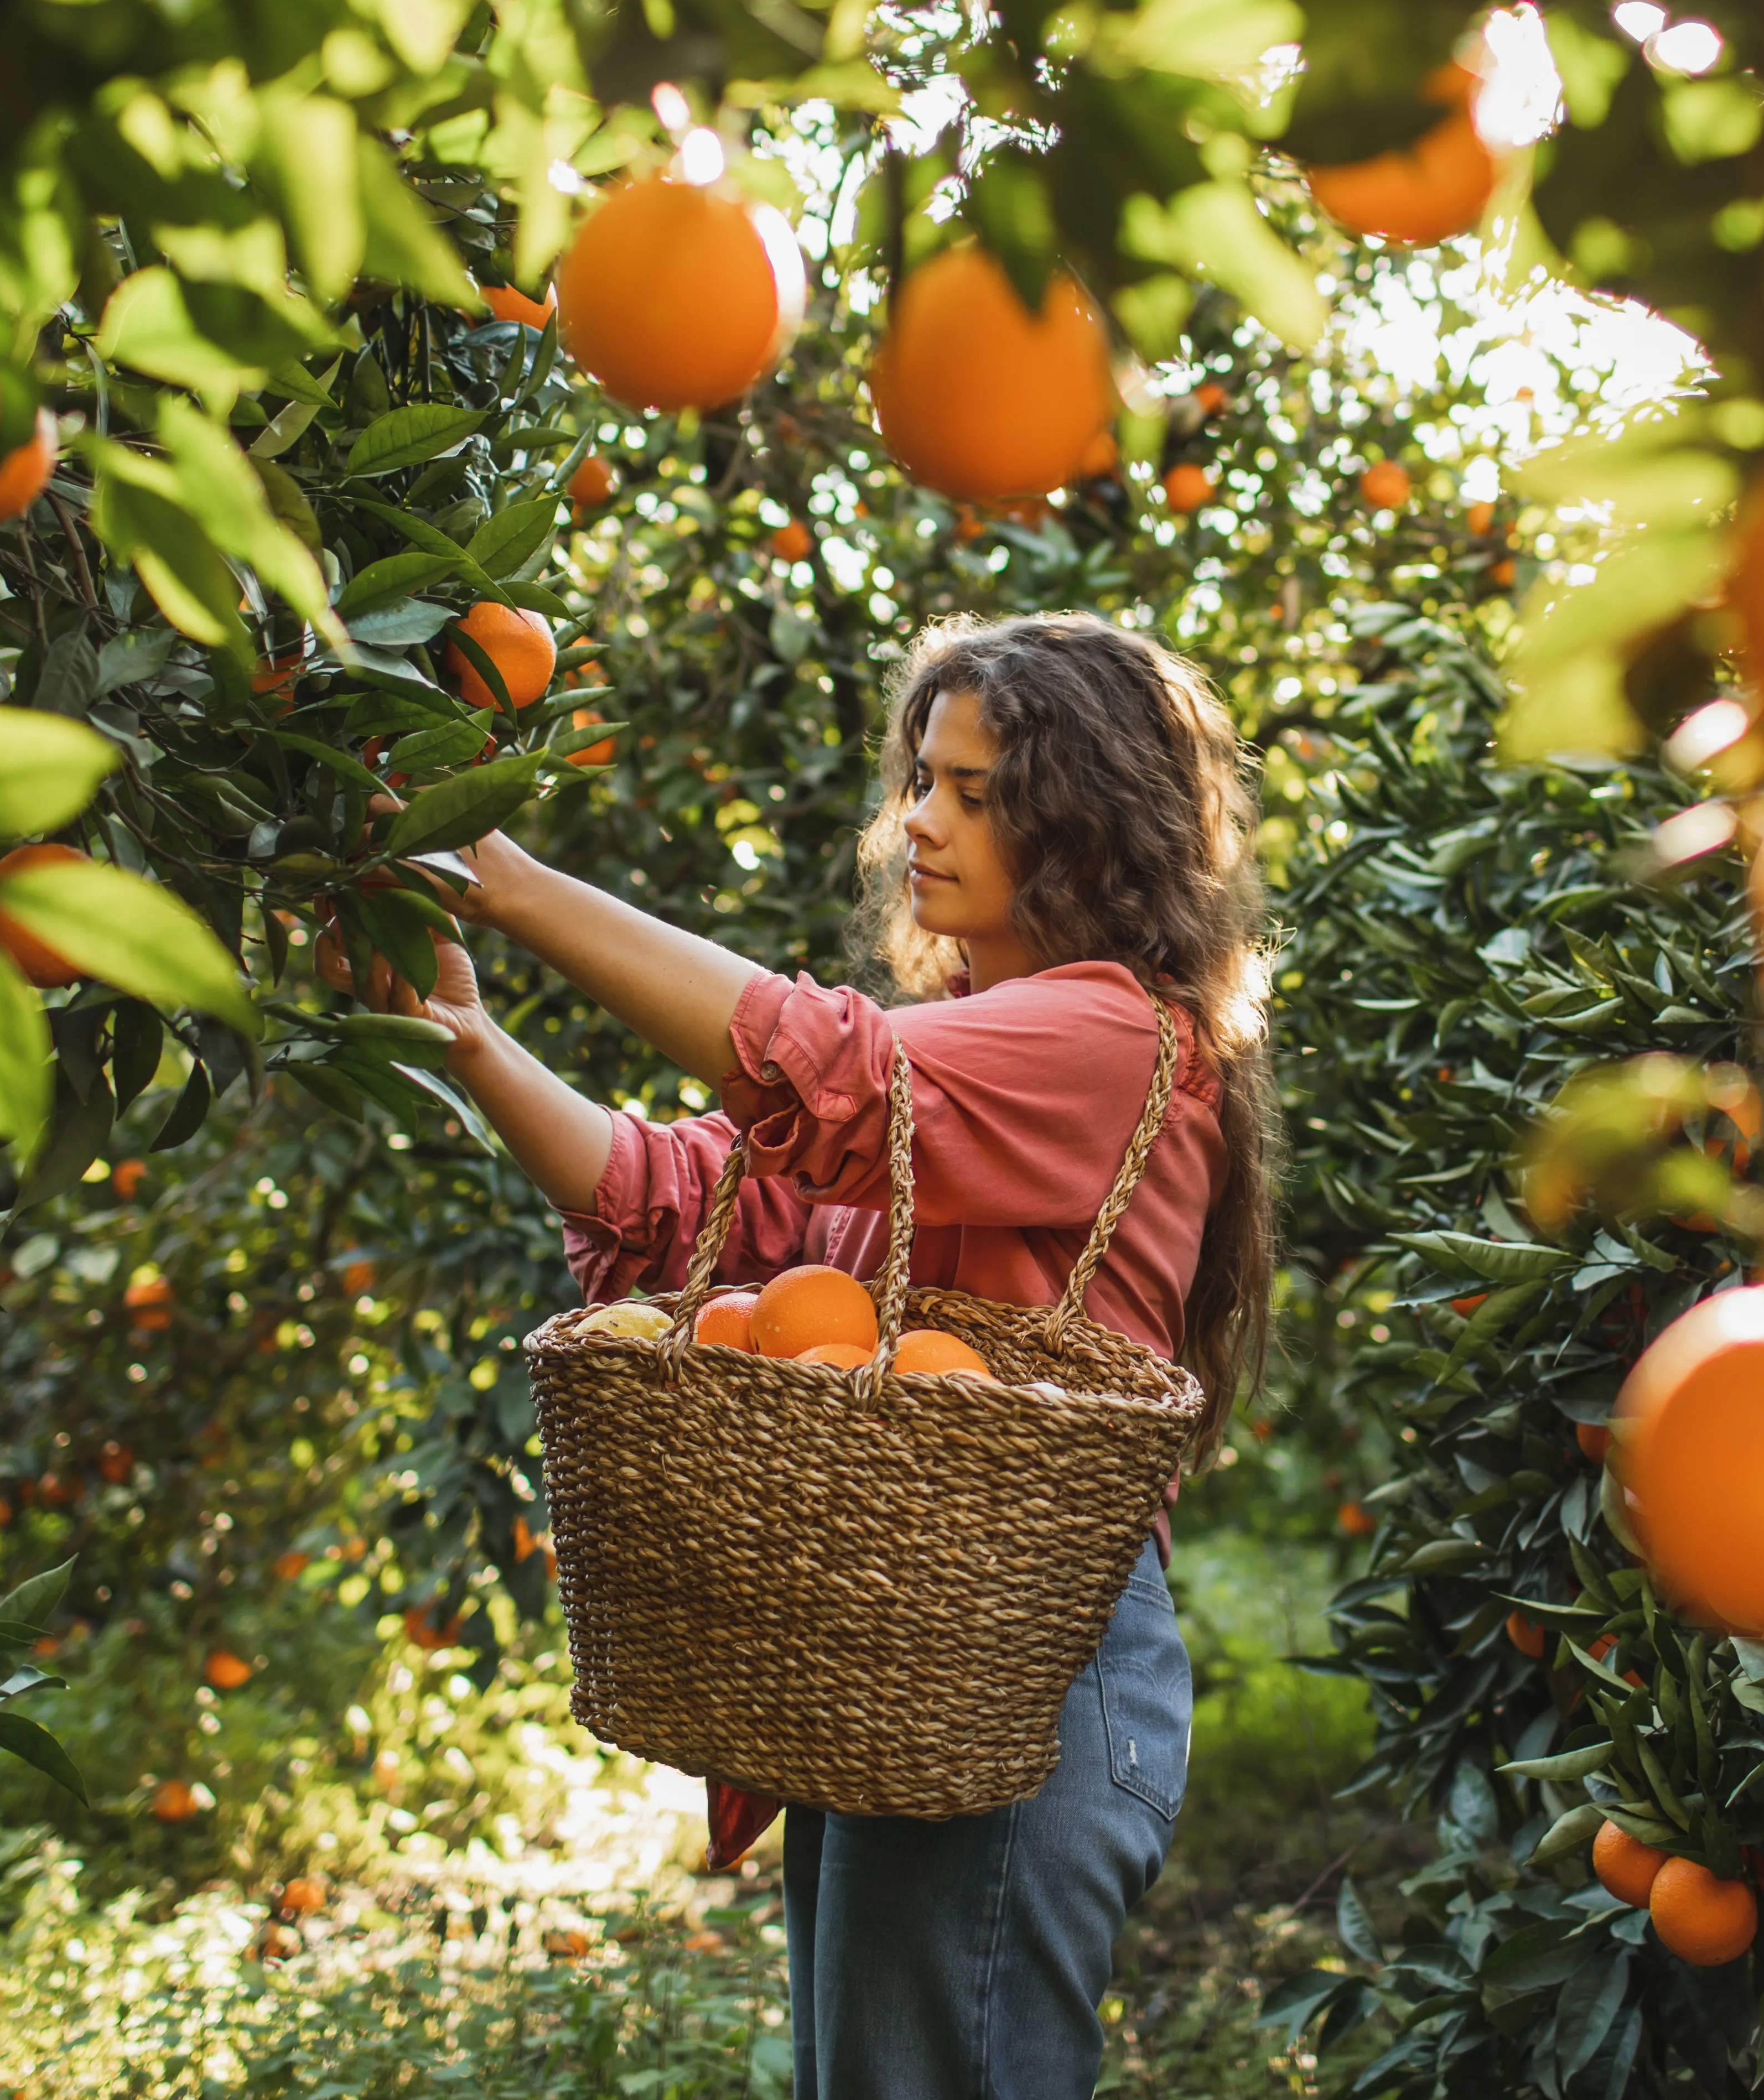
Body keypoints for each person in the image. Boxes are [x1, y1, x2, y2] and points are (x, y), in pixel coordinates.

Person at [336, 610, 1279, 2100]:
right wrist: (470, 1043)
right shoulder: (974, 1049)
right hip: (897, 1642)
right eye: (923, 778)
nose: (922, 818)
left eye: (978, 792)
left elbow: (825, 1069)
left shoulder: (1109, 1035)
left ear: (1089, 823)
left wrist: (501, 878)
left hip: (1022, 1661)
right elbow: (671, 1198)